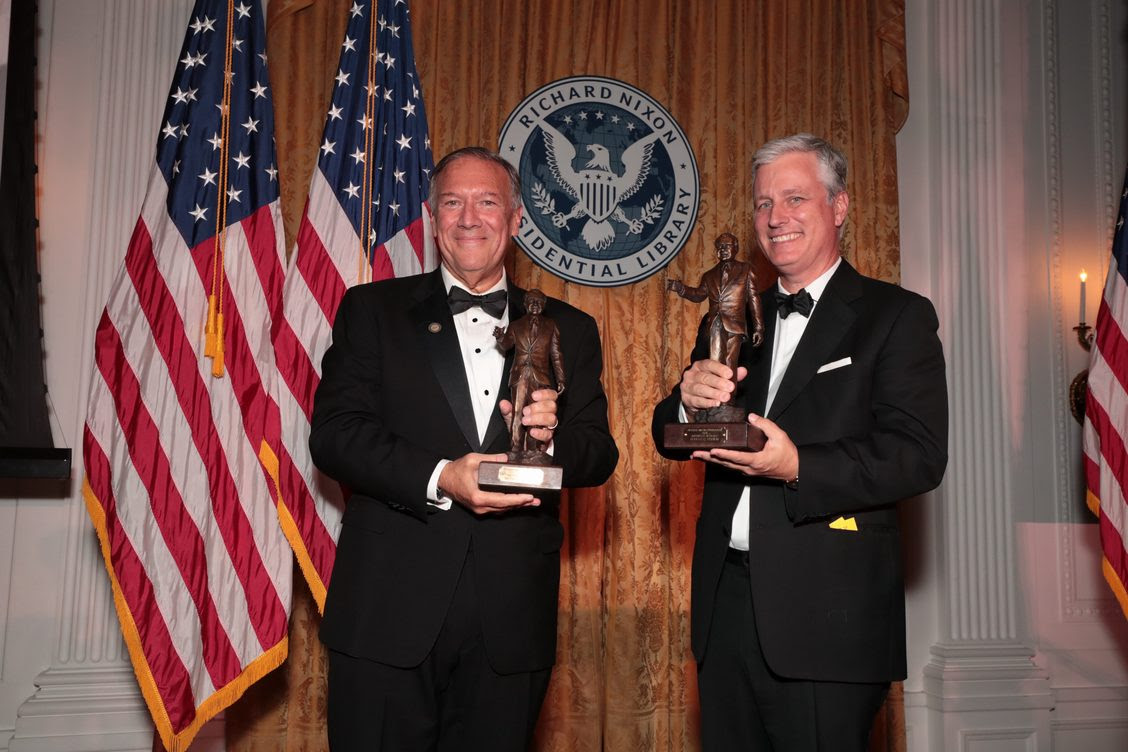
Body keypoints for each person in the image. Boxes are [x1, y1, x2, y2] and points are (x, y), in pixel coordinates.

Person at [310, 146, 618, 751]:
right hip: (385, 610)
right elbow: (336, 435)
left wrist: (549, 442)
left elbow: (598, 453)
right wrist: (441, 476)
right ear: (432, 218)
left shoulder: (570, 327)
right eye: (452, 202)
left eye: (487, 202)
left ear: (517, 218)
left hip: (510, 620)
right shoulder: (371, 310)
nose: (469, 217)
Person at [652, 133, 948, 751]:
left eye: (794, 198)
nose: (775, 217)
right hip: (725, 610)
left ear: (839, 206)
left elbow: (917, 456)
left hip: (829, 616)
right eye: (763, 203)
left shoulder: (896, 315)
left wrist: (796, 466)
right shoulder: (735, 316)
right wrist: (687, 400)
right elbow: (669, 432)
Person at [666, 232, 765, 422]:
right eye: (720, 247)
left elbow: (753, 299)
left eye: (727, 246)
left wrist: (759, 327)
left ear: (735, 248)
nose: (723, 250)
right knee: (715, 365)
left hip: (735, 325)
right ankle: (715, 404)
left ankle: (727, 404)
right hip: (714, 325)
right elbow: (698, 295)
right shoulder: (709, 275)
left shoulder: (745, 270)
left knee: (730, 364)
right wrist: (681, 288)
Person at [493, 288, 566, 462]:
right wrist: (500, 337)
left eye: (539, 301)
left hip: (540, 376)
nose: (535, 304)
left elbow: (556, 354)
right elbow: (506, 345)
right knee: (517, 413)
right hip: (519, 375)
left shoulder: (551, 325)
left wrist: (561, 378)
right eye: (532, 301)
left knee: (535, 415)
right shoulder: (516, 325)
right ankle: (515, 449)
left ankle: (533, 450)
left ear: (544, 305)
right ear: (525, 304)